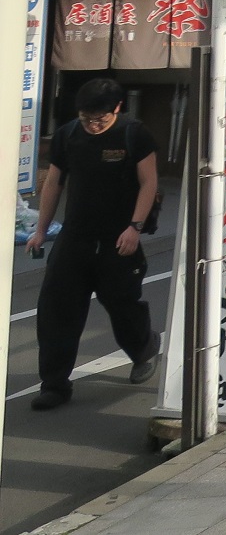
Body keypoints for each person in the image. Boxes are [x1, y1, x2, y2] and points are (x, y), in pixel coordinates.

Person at [25, 77, 162, 410]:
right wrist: (41, 230)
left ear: (117, 108)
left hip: (118, 239)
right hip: (74, 237)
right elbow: (54, 183)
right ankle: (54, 384)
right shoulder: (68, 135)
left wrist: (134, 227)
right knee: (56, 310)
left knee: (121, 303)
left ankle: (144, 349)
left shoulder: (134, 134)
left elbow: (149, 183)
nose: (92, 124)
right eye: (87, 118)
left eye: (99, 118)